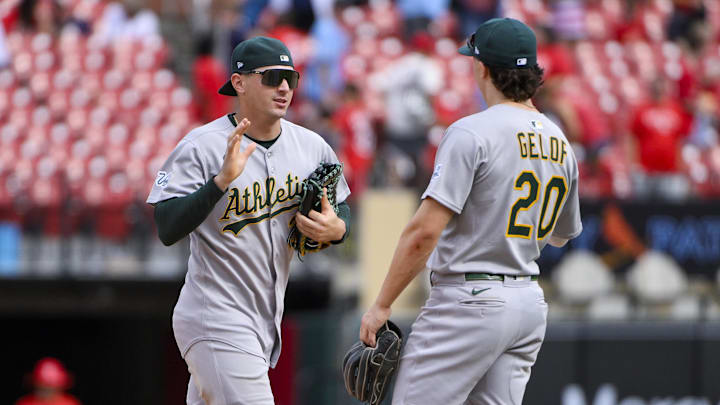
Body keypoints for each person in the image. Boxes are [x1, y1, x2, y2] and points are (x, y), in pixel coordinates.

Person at [359, 18, 582, 404]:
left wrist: (381, 304)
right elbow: (561, 233)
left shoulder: (471, 132)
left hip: (469, 299)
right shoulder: (559, 140)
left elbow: (423, 233)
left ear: (483, 68)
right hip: (527, 301)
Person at [147, 36, 351, 405]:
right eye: (272, 77)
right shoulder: (203, 145)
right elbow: (166, 226)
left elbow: (341, 209)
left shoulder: (312, 147)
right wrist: (220, 182)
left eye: (291, 77)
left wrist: (338, 229)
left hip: (263, 319)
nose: (285, 87)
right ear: (239, 82)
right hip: (215, 314)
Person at [15, 357, 81, 405]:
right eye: (42, 387)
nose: (46, 392)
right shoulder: (24, 403)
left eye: (50, 388)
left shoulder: (70, 403)